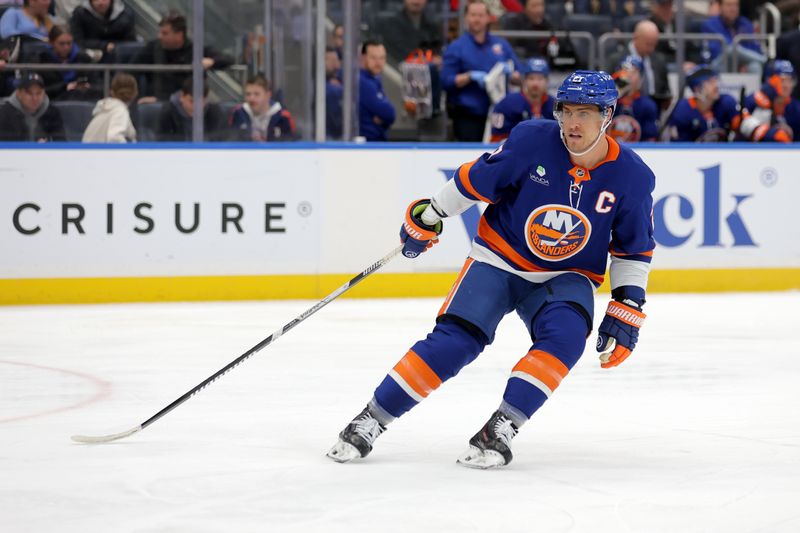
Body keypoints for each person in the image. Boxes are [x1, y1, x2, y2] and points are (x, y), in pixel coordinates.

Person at [327, 70, 656, 469]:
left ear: (607, 115)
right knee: (454, 342)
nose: (572, 123)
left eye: (584, 114)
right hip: (498, 259)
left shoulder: (632, 177)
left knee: (567, 338)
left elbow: (633, 249)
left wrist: (628, 304)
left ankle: (501, 427)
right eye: (566, 111)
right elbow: (473, 180)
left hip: (564, 276)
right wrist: (431, 213)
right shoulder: (532, 140)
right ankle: (372, 419)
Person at [442, 0, 522, 142]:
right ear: (466, 17)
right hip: (469, 115)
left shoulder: (501, 45)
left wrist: (510, 72)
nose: (477, 19)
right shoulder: (457, 47)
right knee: (470, 158)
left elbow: (521, 76)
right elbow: (446, 81)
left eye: (480, 15)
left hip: (500, 115)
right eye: (473, 15)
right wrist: (468, 77)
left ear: (488, 18)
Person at [133, 11, 233, 102]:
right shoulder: (153, 47)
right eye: (160, 32)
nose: (160, 36)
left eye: (165, 33)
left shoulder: (195, 49)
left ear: (179, 34)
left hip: (187, 103)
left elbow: (228, 59)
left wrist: (212, 62)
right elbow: (131, 69)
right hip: (156, 101)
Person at [607, 20, 671, 108]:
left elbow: (666, 90)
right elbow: (607, 91)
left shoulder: (659, 61)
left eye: (654, 45)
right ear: (636, 38)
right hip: (623, 110)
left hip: (653, 110)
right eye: (648, 44)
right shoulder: (615, 60)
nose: (651, 49)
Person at [668, 64, 739, 142]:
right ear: (697, 89)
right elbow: (679, 148)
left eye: (715, 80)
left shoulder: (725, 102)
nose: (716, 85)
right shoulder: (682, 110)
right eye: (710, 82)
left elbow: (743, 125)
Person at [489, 56, 553, 142]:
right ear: (524, 80)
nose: (535, 83)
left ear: (547, 81)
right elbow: (495, 139)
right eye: (531, 78)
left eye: (540, 79)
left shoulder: (555, 106)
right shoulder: (506, 104)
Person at [740, 60, 799, 142]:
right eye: (782, 80)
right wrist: (771, 134)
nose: (787, 85)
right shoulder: (753, 101)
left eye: (790, 80)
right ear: (769, 80)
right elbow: (744, 127)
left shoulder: (794, 106)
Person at [700, 0, 766, 74]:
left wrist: (743, 62)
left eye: (736, 5)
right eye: (729, 5)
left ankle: (754, 85)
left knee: (755, 65)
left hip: (742, 64)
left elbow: (754, 48)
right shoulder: (710, 24)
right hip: (719, 65)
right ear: (720, 7)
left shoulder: (746, 23)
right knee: (732, 49)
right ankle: (765, 60)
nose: (733, 9)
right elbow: (720, 51)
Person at [0, 70, 65, 141]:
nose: (35, 98)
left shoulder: (52, 112)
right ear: (19, 94)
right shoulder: (5, 112)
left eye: (39, 93)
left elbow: (61, 142)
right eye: (29, 93)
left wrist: (48, 145)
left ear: (44, 93)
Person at [230, 74, 296, 142]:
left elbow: (290, 145)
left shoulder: (283, 117)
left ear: (268, 95)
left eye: (256, 94)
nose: (251, 98)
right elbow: (230, 141)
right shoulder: (238, 114)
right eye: (248, 94)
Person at [156, 77, 226, 142]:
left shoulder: (214, 112)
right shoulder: (168, 112)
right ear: (182, 97)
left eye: (200, 102)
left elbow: (220, 140)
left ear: (206, 100)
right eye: (191, 101)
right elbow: (162, 141)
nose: (196, 107)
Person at [374, 0, 442, 66]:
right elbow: (397, 53)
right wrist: (426, 60)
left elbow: (437, 52)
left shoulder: (432, 28)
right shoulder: (391, 25)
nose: (416, 1)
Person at [609, 55, 659, 142]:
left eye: (633, 72)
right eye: (624, 70)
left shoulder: (647, 105)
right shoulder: (607, 102)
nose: (628, 75)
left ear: (641, 78)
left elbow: (650, 140)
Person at [38, 24, 95, 101]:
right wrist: (65, 87)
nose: (66, 47)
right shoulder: (41, 60)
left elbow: (97, 83)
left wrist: (89, 86)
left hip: (81, 99)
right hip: (52, 100)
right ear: (51, 42)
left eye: (69, 43)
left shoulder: (83, 58)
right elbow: (39, 90)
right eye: (62, 43)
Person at [69, 0, 136, 60]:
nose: (100, 3)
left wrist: (115, 47)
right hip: (90, 56)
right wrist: (104, 45)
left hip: (117, 56)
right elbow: (77, 41)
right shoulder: (80, 13)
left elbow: (130, 42)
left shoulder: (125, 14)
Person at [82, 71, 137, 142]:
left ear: (112, 91)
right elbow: (114, 137)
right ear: (135, 92)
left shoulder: (106, 109)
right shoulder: (120, 111)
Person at [359, 39, 395, 142]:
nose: (378, 62)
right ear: (363, 57)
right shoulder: (362, 82)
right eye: (373, 58)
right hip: (367, 144)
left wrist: (383, 119)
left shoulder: (375, 79)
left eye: (382, 58)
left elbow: (389, 114)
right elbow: (389, 113)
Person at [325, 46, 343, 140]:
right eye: (332, 62)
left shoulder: (339, 82)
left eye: (337, 61)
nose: (337, 66)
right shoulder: (332, 90)